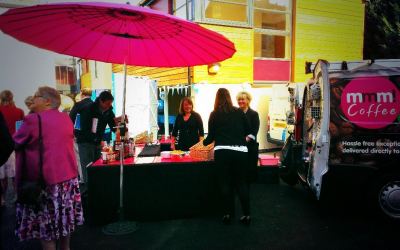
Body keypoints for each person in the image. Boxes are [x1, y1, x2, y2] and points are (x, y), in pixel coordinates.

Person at [13, 86, 84, 249]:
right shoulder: (66, 119)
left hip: (45, 183)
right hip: (68, 180)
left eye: (36, 96)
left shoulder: (32, 120)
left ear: (48, 101)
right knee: (64, 222)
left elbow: (14, 144)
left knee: (46, 228)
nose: (32, 99)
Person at [202, 88, 254, 225]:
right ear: (230, 97)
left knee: (224, 183)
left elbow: (211, 136)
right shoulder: (239, 112)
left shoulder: (214, 114)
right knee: (241, 183)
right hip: (240, 151)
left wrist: (203, 143)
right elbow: (250, 131)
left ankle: (227, 214)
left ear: (217, 98)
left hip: (222, 151)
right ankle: (247, 215)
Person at [76, 90, 116, 185]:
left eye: (110, 103)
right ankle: (89, 190)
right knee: (88, 167)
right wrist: (97, 140)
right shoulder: (88, 109)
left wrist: (120, 126)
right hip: (85, 141)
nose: (109, 106)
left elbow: (113, 124)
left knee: (98, 166)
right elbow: (84, 129)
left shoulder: (108, 110)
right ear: (100, 101)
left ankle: (98, 188)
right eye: (107, 103)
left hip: (97, 141)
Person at [0, 90, 24, 206]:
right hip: (15, 145)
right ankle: (16, 195)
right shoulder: (19, 111)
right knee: (15, 174)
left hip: (2, 146)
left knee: (2, 177)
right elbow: (21, 129)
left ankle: (3, 198)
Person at [69, 88, 93, 184]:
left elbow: (71, 119)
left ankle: (83, 178)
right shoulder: (95, 104)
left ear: (81, 94)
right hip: (93, 136)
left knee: (80, 157)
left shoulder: (78, 105)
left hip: (80, 136)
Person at [236, 91, 260, 186]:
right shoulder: (235, 113)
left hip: (249, 146)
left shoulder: (254, 114)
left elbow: (255, 130)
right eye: (239, 99)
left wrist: (246, 139)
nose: (240, 101)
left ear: (248, 100)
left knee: (248, 168)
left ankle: (247, 188)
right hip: (238, 145)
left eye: (243, 99)